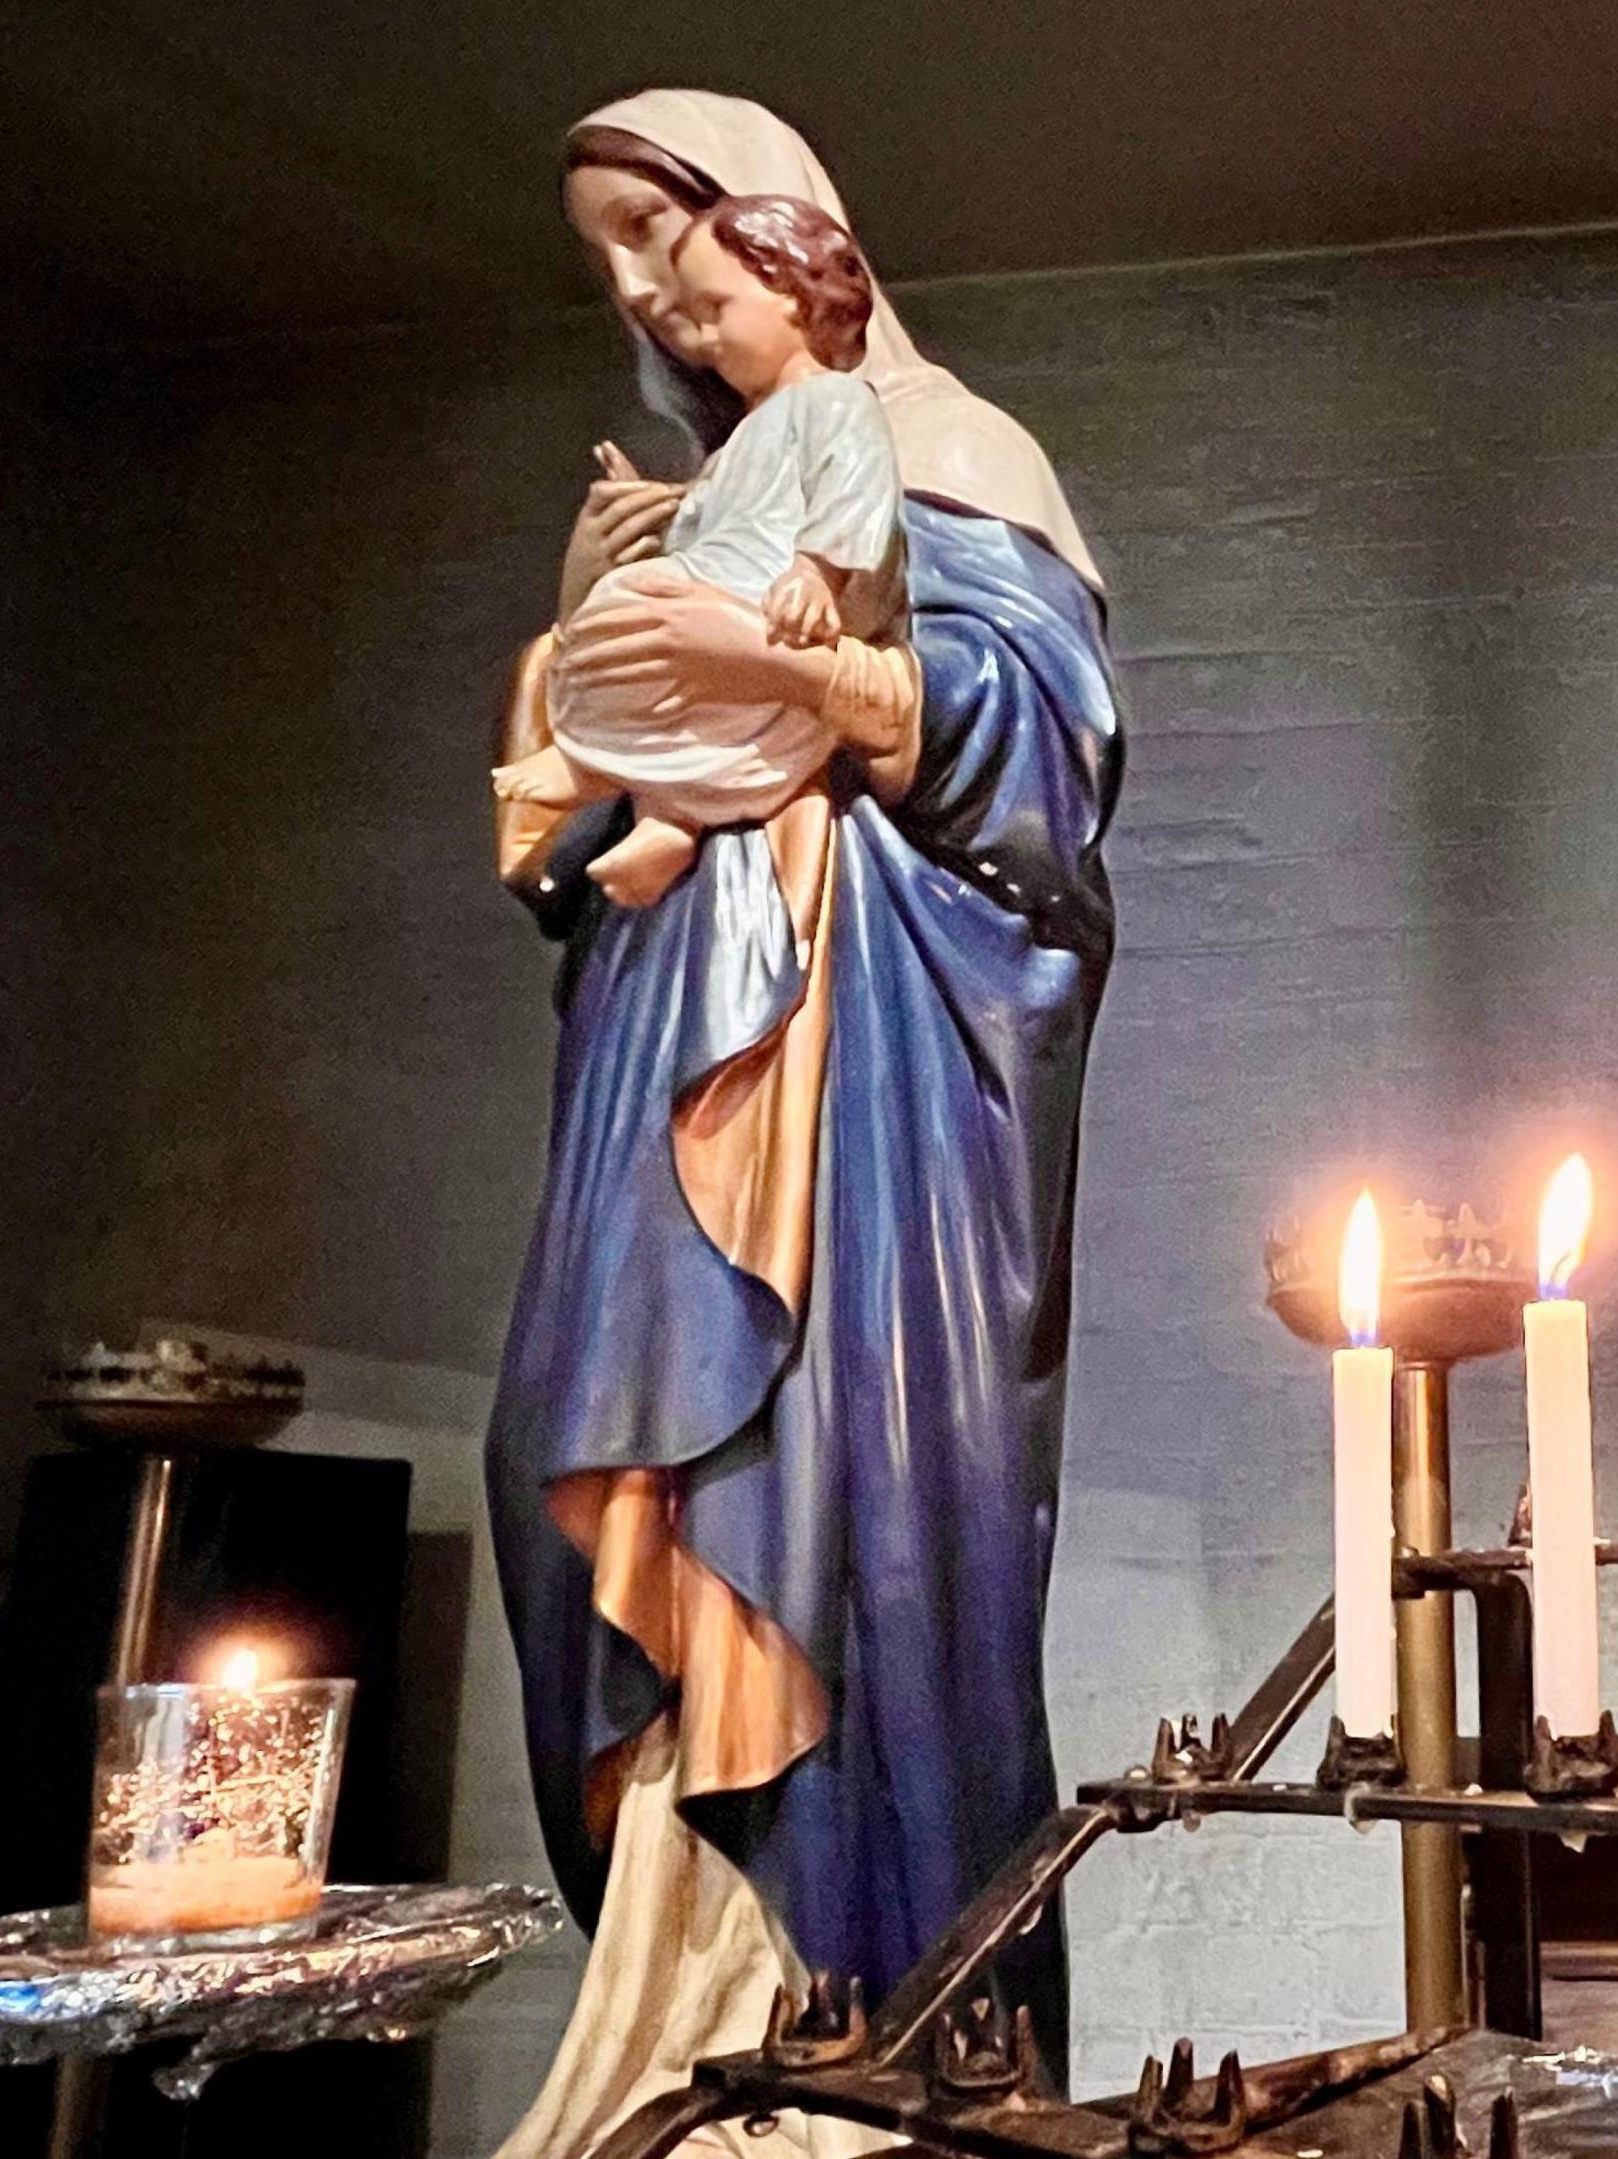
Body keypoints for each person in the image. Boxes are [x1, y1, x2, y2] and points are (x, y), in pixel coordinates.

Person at [484, 88, 1114, 2156]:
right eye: (608, 260)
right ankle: (668, 2011)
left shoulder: (951, 452)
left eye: (663, 227)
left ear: (781, 230)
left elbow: (1039, 769)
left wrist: (804, 674)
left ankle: (850, 2044)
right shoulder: (712, 489)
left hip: (871, 1086)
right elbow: (572, 852)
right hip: (673, 1043)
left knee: (842, 1496)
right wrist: (583, 661)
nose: (646, 286)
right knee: (578, 1462)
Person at [497, 194, 907, 908]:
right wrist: (655, 517)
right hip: (719, 611)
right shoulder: (739, 442)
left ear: (792, 293)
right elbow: (707, 526)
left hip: (774, 622)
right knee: (624, 619)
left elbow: (853, 491)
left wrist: (816, 573)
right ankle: (662, 817)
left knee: (641, 615)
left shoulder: (836, 402)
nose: (704, 339)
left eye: (716, 309)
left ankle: (595, 767)